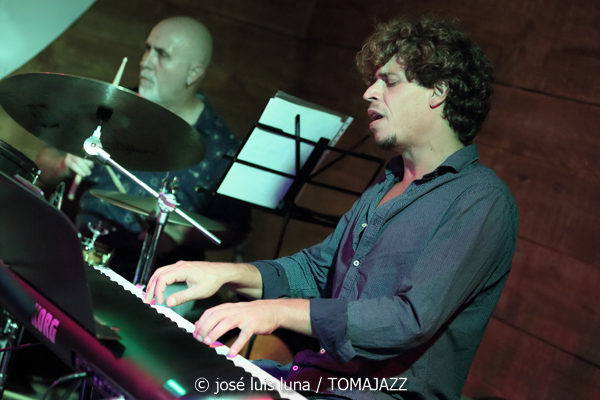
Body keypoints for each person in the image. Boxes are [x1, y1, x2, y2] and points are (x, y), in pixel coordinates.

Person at [143, 16, 518, 400]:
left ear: (437, 92)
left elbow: (408, 320)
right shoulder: (386, 182)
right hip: (318, 379)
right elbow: (318, 269)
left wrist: (277, 311)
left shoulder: (480, 200)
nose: (369, 93)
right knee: (182, 375)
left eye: (388, 82)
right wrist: (226, 274)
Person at [36, 16, 250, 280]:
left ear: (193, 74)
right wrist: (63, 164)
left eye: (162, 54)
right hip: (81, 254)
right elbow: (43, 164)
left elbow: (235, 229)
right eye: (148, 49)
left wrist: (181, 234)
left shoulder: (221, 145)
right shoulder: (110, 106)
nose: (145, 62)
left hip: (158, 279)